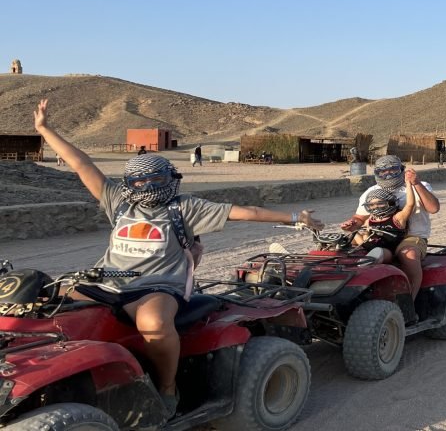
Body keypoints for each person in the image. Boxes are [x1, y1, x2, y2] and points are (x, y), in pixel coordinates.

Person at [33, 99, 322, 419]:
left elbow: (246, 212)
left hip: (159, 284)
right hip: (110, 279)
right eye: (139, 182)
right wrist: (45, 129)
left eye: (154, 181)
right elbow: (82, 163)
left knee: (153, 324)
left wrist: (297, 216)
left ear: (169, 179)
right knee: (43, 302)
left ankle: (167, 387)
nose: (146, 187)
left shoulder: (185, 207)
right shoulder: (118, 201)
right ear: (129, 184)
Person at [340, 155, 439, 302]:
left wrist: (415, 183)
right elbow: (360, 218)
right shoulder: (371, 192)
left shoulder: (418, 185)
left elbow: (433, 208)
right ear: (377, 173)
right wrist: (351, 224)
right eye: (383, 172)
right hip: (379, 235)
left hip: (411, 237)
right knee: (338, 250)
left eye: (393, 170)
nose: (388, 174)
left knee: (409, 255)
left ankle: (409, 301)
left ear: (402, 169)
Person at [351, 175, 417, 264]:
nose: (375, 207)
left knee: (380, 252)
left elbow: (410, 204)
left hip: (387, 250)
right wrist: (352, 228)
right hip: (368, 245)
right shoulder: (370, 219)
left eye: (380, 203)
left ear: (389, 202)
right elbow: (366, 236)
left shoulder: (397, 218)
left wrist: (408, 184)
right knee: (348, 238)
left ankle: (367, 262)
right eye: (372, 205)